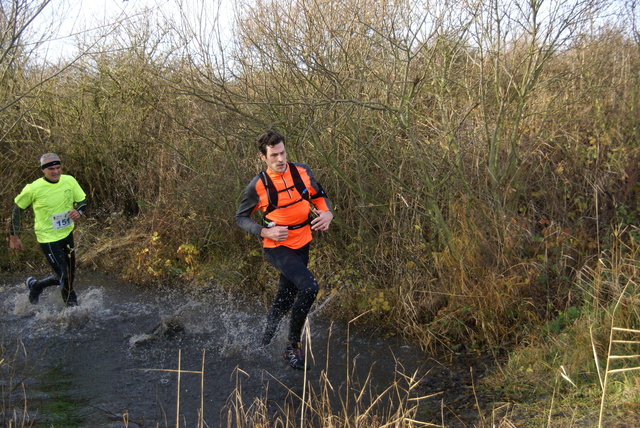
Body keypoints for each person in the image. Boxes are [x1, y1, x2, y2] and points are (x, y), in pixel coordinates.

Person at [235, 130, 333, 370]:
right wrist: (263, 231)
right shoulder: (258, 185)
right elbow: (241, 217)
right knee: (310, 287)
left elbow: (319, 196)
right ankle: (292, 346)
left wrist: (328, 212)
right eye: (274, 155)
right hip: (277, 247)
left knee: (285, 298)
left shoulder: (302, 171)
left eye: (283, 153)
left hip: (303, 243)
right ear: (263, 157)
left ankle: (264, 341)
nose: (280, 159)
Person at [8, 153, 87, 307]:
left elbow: (82, 200)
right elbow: (17, 210)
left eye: (58, 168)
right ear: (43, 170)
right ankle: (73, 311)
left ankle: (36, 286)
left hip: (66, 234)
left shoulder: (69, 181)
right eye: (51, 169)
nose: (56, 171)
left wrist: (79, 211)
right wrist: (14, 236)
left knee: (68, 276)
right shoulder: (33, 188)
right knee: (64, 275)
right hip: (47, 238)